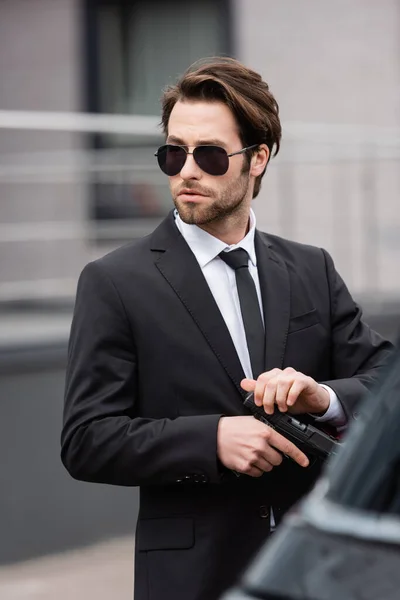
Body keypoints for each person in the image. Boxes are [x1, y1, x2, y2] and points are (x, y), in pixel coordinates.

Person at [61, 57, 393, 600]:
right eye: (173, 153)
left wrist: (323, 398)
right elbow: (86, 439)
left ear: (257, 158)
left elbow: (385, 381)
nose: (186, 170)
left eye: (210, 155)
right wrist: (210, 440)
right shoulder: (113, 281)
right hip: (193, 580)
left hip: (314, 571)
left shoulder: (311, 268)